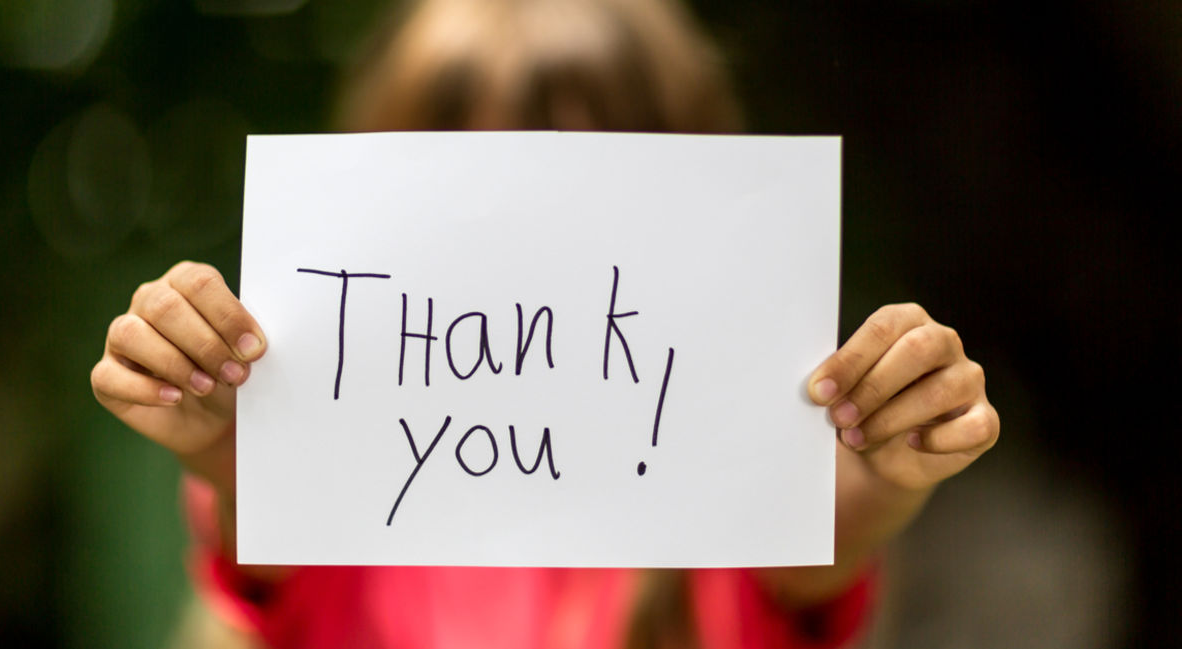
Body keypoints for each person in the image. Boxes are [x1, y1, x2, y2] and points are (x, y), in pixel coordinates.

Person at [91, 0, 999, 647]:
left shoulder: (733, 495)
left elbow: (819, 539)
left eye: (585, 192)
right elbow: (267, 527)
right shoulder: (334, 496)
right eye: (474, 193)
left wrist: (885, 468)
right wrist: (231, 444)